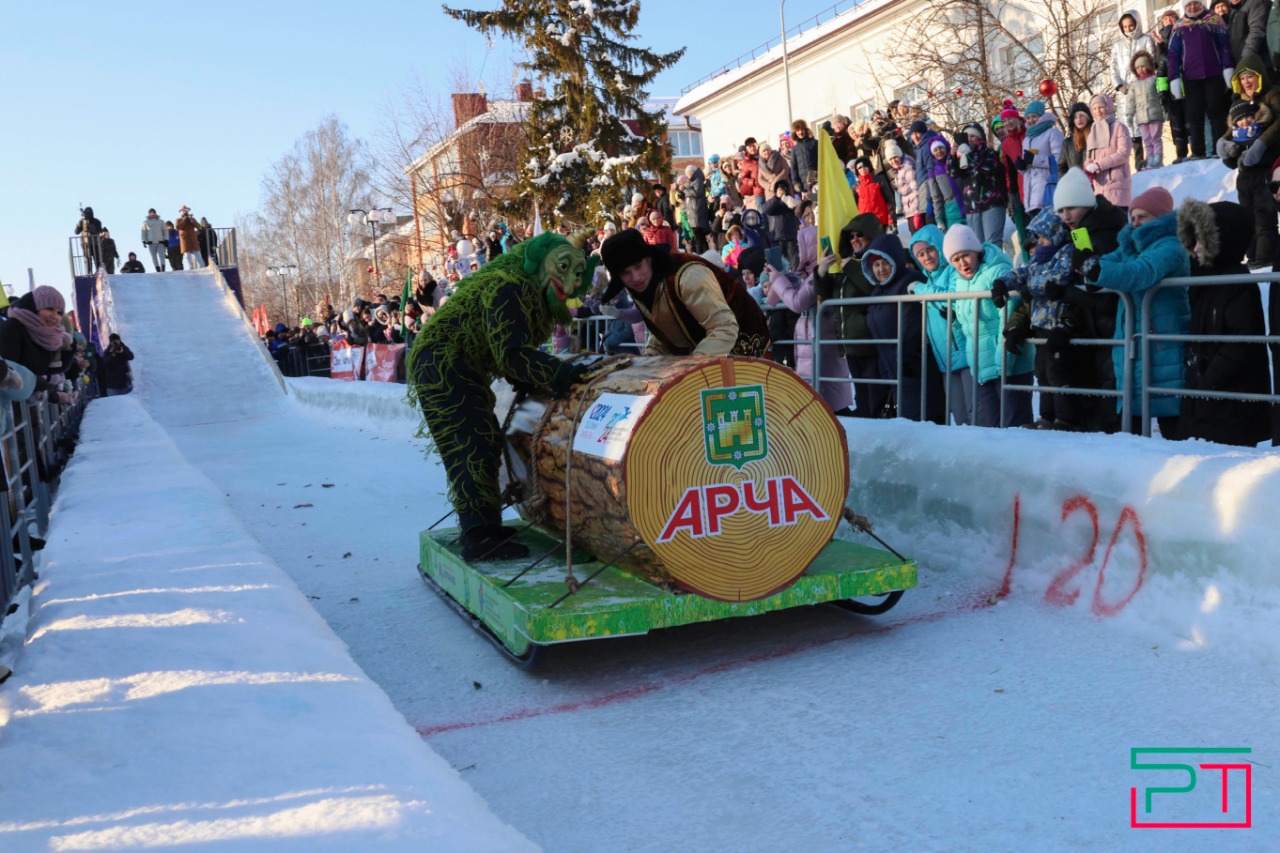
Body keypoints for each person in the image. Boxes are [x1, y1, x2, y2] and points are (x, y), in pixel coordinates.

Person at [407, 232, 595, 561]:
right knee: (471, 440)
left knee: (482, 439)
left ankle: (484, 525)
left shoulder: (520, 286)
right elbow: (510, 352)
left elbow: (503, 345)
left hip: (459, 362)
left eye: (577, 273)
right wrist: (557, 373)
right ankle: (479, 536)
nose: (570, 280)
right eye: (563, 267)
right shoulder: (511, 286)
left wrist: (528, 375)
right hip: (443, 362)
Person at [1072, 185, 1190, 437]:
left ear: (1159, 218)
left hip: (1162, 339)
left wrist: (1094, 270)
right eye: (1133, 217)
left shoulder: (1171, 246)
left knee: (1171, 415)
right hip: (1135, 338)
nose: (1135, 222)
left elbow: (1140, 273)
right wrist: (1090, 265)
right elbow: (1107, 263)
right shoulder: (1130, 246)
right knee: (1132, 411)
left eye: (1143, 217)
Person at [1175, 199, 1271, 446]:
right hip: (1206, 401)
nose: (1195, 248)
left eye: (1201, 241)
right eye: (1193, 240)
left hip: (1229, 406)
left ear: (1221, 241)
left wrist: (1210, 379)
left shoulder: (1236, 284)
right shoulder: (1203, 280)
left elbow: (1242, 343)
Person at [599, 228, 769, 357]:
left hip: (746, 351)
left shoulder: (688, 276)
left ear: (649, 258)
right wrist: (652, 358)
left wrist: (690, 368)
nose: (635, 277)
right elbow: (664, 323)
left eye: (638, 267)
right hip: (708, 356)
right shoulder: (644, 284)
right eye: (626, 273)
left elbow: (724, 327)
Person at [992, 209, 1091, 430]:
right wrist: (1002, 283)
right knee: (1043, 373)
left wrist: (1028, 287)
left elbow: (1057, 279)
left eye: (1045, 238)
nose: (1042, 243)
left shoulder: (1066, 253)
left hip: (1058, 323)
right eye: (1039, 239)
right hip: (1039, 325)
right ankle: (1046, 416)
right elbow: (1021, 272)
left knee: (1058, 373)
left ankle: (1065, 418)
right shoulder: (1038, 258)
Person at [945, 223, 1035, 427]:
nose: (962, 263)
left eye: (965, 255)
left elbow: (1008, 316)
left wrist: (1003, 361)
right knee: (992, 432)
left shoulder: (998, 272)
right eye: (955, 259)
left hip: (1009, 365)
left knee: (1016, 429)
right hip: (982, 367)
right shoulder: (960, 282)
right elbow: (967, 327)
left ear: (976, 251)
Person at [861, 233, 943, 422]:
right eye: (876, 264)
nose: (881, 269)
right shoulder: (876, 293)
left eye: (885, 262)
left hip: (914, 369)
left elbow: (912, 324)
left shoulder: (910, 280)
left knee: (921, 423)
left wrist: (905, 359)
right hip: (893, 370)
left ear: (895, 260)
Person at [815, 212, 886, 418]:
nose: (854, 240)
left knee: (875, 398)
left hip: (870, 342)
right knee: (863, 398)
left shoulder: (877, 262)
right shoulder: (847, 266)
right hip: (850, 344)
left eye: (859, 235)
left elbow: (872, 288)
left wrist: (851, 267)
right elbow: (826, 293)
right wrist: (821, 272)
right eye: (851, 236)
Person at [1217, 58, 1280, 268]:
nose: (1246, 82)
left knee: (1265, 216)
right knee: (1248, 216)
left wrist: (1260, 144)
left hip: (1267, 169)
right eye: (1242, 78)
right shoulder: (1240, 102)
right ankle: (1253, 254)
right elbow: (1233, 125)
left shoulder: (1272, 95)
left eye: (1250, 76)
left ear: (1259, 76)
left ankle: (1265, 256)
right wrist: (1225, 144)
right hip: (1245, 175)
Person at [909, 224, 972, 425]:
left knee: (975, 415)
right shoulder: (927, 281)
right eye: (920, 254)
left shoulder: (953, 272)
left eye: (930, 250)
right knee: (960, 416)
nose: (926, 257)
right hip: (944, 361)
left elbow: (948, 299)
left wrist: (919, 288)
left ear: (940, 248)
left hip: (965, 355)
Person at [1168, 0, 1234, 160]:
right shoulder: (1179, 27)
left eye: (1195, 3)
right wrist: (1174, 77)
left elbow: (1224, 46)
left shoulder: (1215, 21)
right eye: (1189, 5)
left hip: (1214, 74)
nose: (1192, 7)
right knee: (1194, 114)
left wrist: (1227, 67)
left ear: (1201, 4)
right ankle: (1198, 152)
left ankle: (1219, 149)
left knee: (1216, 111)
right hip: (1191, 77)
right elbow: (1173, 54)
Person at [0, 286, 75, 405]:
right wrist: (40, 385)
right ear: (34, 308)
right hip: (9, 405)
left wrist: (69, 348)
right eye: (49, 309)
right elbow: (10, 371)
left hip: (24, 403)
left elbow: (52, 369)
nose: (55, 316)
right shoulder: (12, 328)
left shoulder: (48, 336)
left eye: (59, 312)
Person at [1111, 10, 1158, 169]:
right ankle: (1139, 164)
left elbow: (1151, 62)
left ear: (1137, 24)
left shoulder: (1146, 40)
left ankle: (1153, 160)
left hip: (1143, 91)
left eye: (1131, 25)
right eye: (1125, 26)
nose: (1129, 29)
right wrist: (1119, 85)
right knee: (1131, 130)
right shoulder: (1117, 45)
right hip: (1125, 94)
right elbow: (1113, 68)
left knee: (1147, 126)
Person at [951, 124, 1007, 245]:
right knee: (978, 246)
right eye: (967, 137)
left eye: (973, 136)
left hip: (991, 203)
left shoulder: (989, 152)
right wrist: (952, 156)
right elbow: (953, 173)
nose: (969, 139)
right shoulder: (962, 157)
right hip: (972, 207)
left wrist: (969, 153)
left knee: (992, 243)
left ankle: (997, 264)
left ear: (980, 138)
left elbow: (988, 168)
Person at [1085, 94, 1134, 212]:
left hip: (1117, 187)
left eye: (1100, 107)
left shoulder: (1119, 127)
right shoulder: (1092, 132)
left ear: (1108, 107)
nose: (1098, 111)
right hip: (1099, 191)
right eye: (1094, 108)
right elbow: (1089, 159)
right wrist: (1087, 168)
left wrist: (1098, 165)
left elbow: (1123, 153)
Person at [1022, 101, 1064, 216]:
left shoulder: (1052, 133)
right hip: (1030, 197)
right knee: (1038, 233)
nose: (1031, 120)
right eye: (1028, 118)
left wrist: (1034, 160)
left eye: (1034, 116)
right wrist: (1021, 166)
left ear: (1042, 116)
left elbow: (1060, 160)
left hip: (1048, 190)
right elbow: (1028, 169)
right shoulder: (1026, 140)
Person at [1129, 51, 1166, 169]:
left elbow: (1161, 94)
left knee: (1155, 138)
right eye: (1138, 67)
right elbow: (1130, 100)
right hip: (1141, 117)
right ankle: (1150, 159)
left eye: (1143, 66)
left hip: (1154, 114)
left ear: (1148, 66)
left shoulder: (1154, 79)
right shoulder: (1134, 84)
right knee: (1147, 140)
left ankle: (1158, 159)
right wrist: (1129, 114)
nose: (1140, 69)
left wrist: (1165, 108)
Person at [682, 164, 711, 253]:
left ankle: (702, 256)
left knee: (699, 239)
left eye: (688, 172)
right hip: (694, 215)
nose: (687, 175)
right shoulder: (693, 181)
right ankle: (703, 255)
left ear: (692, 172)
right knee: (698, 238)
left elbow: (696, 193)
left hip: (697, 214)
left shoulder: (697, 180)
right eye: (686, 173)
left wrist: (684, 189)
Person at [789, 119, 819, 193]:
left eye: (802, 129)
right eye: (798, 130)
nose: (800, 132)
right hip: (803, 183)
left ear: (805, 130)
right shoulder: (795, 149)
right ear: (795, 133)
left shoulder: (814, 143)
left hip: (816, 178)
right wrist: (795, 182)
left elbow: (820, 160)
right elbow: (793, 166)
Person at [74, 206, 103, 273]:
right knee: (87, 259)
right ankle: (89, 273)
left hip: (95, 243)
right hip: (86, 244)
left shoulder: (96, 221)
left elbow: (99, 230)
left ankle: (98, 273)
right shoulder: (82, 222)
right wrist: (78, 227)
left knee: (97, 260)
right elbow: (76, 232)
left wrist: (90, 229)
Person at [738, 137, 764, 209]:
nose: (752, 148)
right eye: (750, 146)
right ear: (746, 148)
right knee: (762, 214)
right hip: (759, 191)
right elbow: (743, 178)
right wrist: (753, 182)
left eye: (753, 145)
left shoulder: (764, 155)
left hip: (769, 189)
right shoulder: (746, 162)